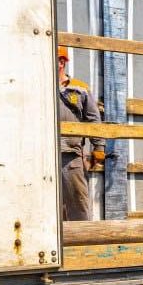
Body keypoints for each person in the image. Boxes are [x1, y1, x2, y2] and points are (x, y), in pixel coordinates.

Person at [57, 46, 100, 221]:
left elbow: (93, 119)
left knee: (78, 205)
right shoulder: (40, 87)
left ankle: (83, 245)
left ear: (62, 62)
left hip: (72, 156)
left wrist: (99, 147)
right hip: (44, 158)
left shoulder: (79, 89)